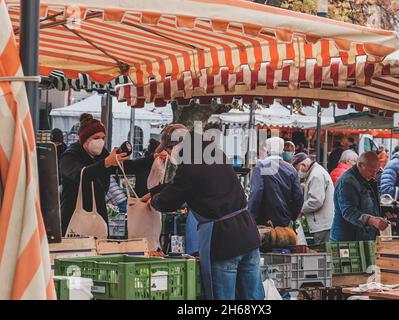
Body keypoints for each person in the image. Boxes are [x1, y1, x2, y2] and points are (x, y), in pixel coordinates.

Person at [149, 130, 263, 300]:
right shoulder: (216, 153)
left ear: (175, 146)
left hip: (222, 239)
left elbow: (169, 200)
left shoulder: (189, 167)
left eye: (169, 148)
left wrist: (154, 198)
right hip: (248, 235)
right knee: (254, 298)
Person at [60, 113, 154, 235]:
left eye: (103, 138)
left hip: (98, 214)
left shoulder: (101, 154)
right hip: (74, 215)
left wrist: (152, 159)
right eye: (96, 138)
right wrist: (106, 163)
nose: (100, 141)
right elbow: (82, 175)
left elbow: (126, 167)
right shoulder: (69, 156)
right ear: (84, 139)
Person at [330, 152, 390, 241]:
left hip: (362, 237)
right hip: (347, 239)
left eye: (376, 171)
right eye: (371, 171)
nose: (374, 175)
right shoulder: (347, 182)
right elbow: (349, 212)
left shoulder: (367, 179)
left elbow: (371, 206)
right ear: (360, 165)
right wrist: (372, 220)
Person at [248, 137, 304, 228]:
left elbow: (256, 192)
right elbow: (298, 197)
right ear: (282, 150)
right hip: (284, 221)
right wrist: (292, 216)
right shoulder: (291, 170)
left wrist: (251, 216)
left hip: (264, 222)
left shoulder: (261, 166)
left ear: (267, 149)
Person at [293, 153, 335, 245]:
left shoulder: (315, 175)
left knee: (321, 253)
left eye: (297, 169)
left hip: (322, 224)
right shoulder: (315, 172)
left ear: (303, 165)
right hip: (323, 223)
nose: (298, 173)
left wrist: (299, 210)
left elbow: (316, 201)